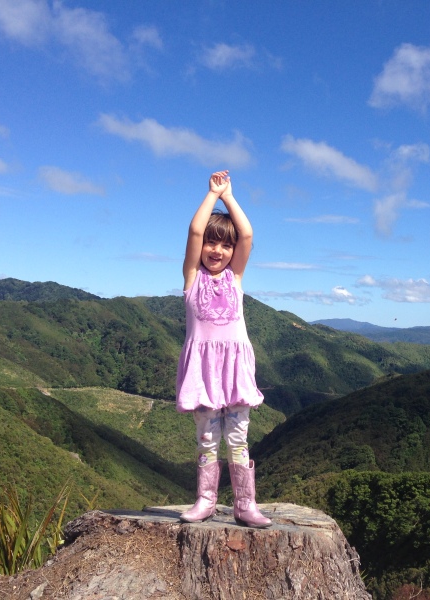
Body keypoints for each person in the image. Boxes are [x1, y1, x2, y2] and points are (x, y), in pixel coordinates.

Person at [176, 170, 272, 529]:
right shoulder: (191, 278)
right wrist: (210, 196)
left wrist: (228, 196)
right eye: (212, 243)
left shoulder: (235, 278)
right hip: (203, 370)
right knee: (206, 438)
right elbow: (195, 231)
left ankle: (245, 504)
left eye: (225, 245)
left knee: (237, 437)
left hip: (235, 369)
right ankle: (205, 500)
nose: (217, 250)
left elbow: (246, 233)